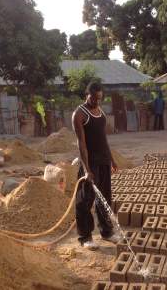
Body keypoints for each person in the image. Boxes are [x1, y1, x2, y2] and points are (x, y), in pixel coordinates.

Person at [72, 81, 119, 250]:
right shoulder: (79, 114)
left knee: (105, 198)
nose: (97, 102)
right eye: (94, 98)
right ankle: (85, 237)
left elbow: (103, 139)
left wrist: (112, 160)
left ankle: (106, 232)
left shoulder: (101, 112)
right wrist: (86, 169)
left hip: (104, 161)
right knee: (85, 200)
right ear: (88, 95)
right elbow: (81, 144)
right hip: (90, 163)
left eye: (100, 99)